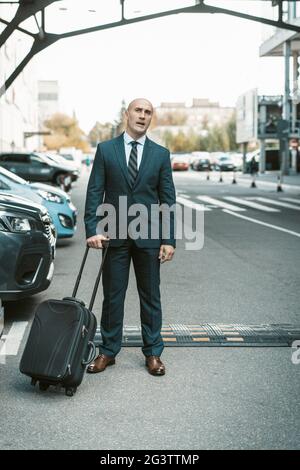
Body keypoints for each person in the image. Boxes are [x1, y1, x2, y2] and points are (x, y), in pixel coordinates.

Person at [84, 98, 176, 376]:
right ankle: (108, 351)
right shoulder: (106, 150)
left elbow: (167, 200)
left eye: (148, 112)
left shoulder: (160, 154)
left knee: (151, 297)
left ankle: (153, 353)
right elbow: (94, 192)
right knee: (112, 296)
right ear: (127, 114)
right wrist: (92, 230)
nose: (143, 115)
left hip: (149, 237)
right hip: (114, 236)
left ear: (151, 119)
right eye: (138, 110)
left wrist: (169, 239)